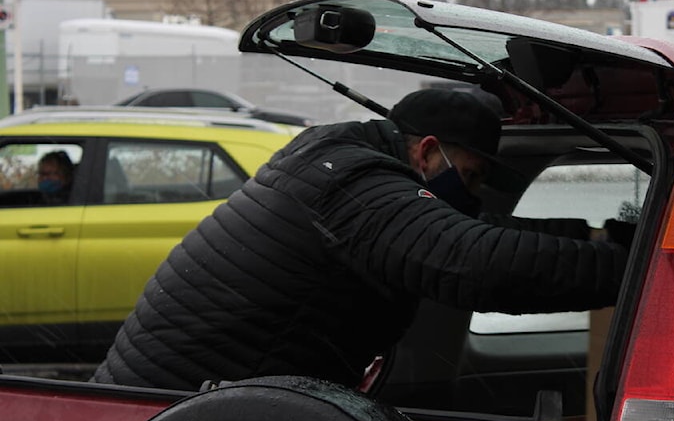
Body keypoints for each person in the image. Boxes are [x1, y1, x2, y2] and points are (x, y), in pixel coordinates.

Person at [91, 88, 633, 391]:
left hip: (154, 403)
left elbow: (478, 233)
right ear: (425, 153)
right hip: (173, 413)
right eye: (466, 176)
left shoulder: (334, 165)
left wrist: (599, 239)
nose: (468, 193)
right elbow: (476, 262)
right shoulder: (353, 185)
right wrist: (635, 270)